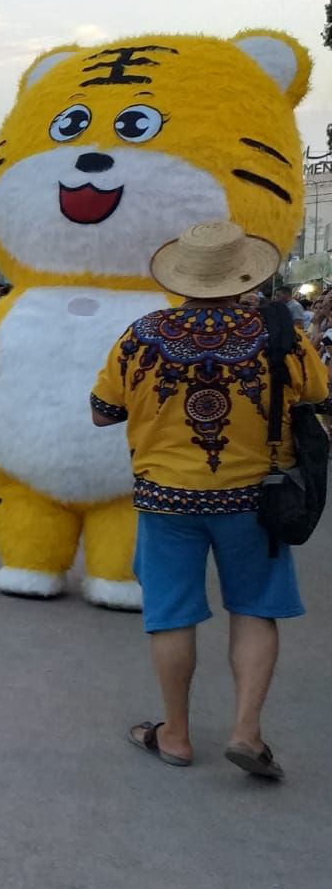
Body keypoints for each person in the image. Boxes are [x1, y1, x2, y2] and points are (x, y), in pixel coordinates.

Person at [92, 221, 329, 778]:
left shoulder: (143, 334)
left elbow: (102, 412)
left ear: (183, 276)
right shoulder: (279, 335)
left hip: (166, 499)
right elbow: (318, 396)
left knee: (172, 614)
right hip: (257, 499)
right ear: (242, 274)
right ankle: (247, 732)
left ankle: (175, 735)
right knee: (255, 609)